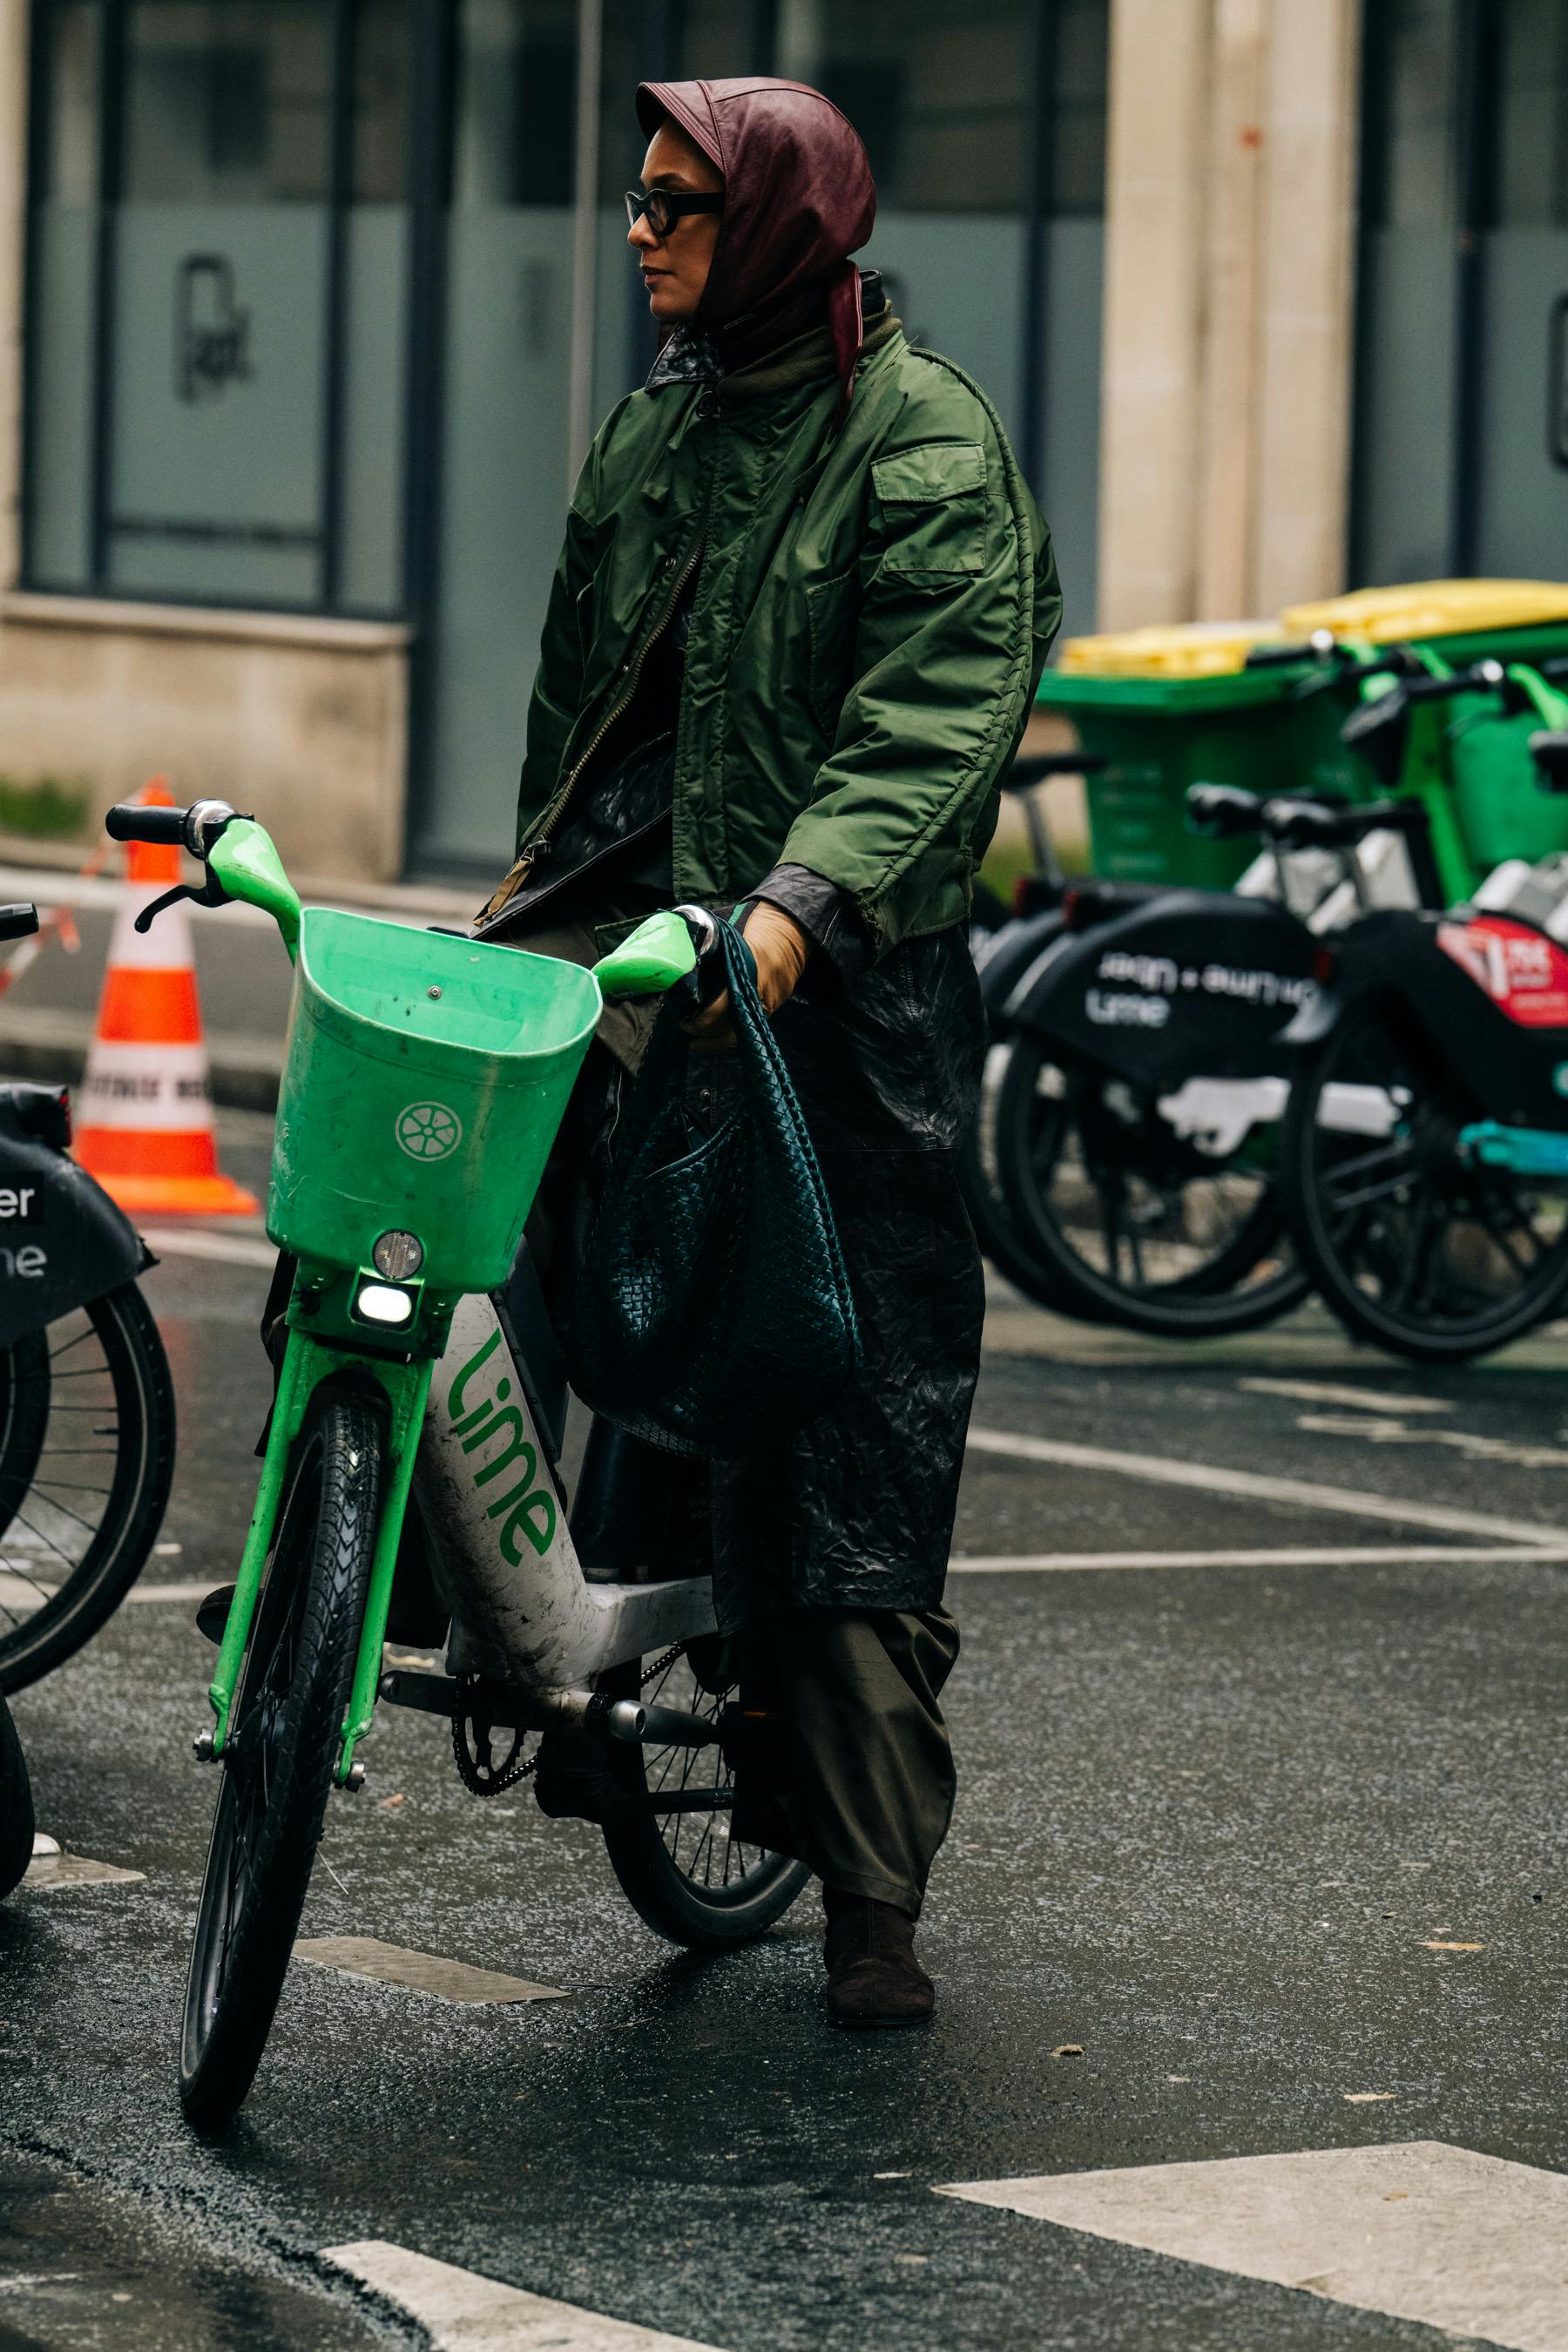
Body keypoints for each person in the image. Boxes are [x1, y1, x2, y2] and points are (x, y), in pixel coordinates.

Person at [475, 77, 1061, 2025]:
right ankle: (456, 1598)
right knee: (482, 1229)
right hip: (663, 958)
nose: (639, 233)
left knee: (848, 1416)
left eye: (678, 206)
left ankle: (872, 1891)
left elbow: (932, 720)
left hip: (847, 1002)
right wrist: (528, 909)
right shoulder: (654, 435)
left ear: (786, 220)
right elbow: (582, 704)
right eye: (635, 203)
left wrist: (797, 910)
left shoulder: (923, 446)